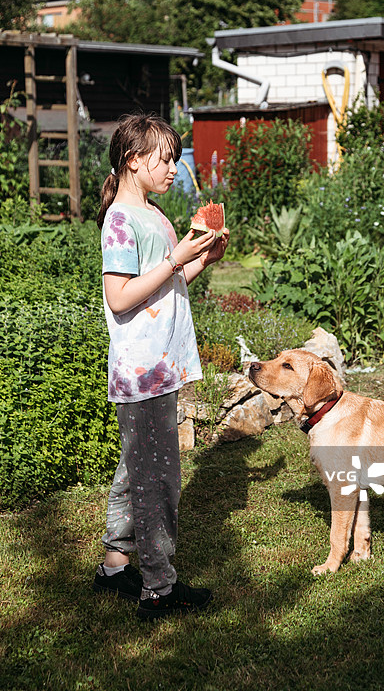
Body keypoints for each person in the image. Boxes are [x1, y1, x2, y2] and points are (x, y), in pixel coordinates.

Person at [92, 112, 228, 621]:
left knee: (136, 469)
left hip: (161, 365)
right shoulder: (120, 221)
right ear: (133, 160)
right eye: (165, 159)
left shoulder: (155, 215)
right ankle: (158, 588)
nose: (175, 168)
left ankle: (113, 565)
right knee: (158, 481)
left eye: (174, 159)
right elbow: (120, 296)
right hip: (142, 370)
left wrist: (201, 260)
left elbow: (165, 287)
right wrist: (175, 259)